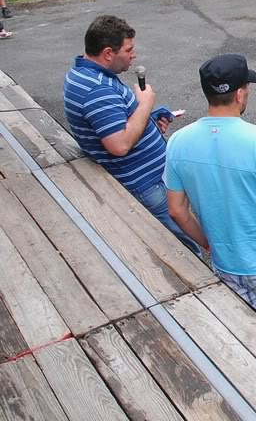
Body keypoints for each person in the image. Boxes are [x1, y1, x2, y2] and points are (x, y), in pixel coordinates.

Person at [165, 54, 256, 350]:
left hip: (226, 262)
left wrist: (208, 242)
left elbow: (177, 211)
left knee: (247, 330)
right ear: (240, 93)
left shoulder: (178, 141)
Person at [62, 15, 199, 255]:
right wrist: (144, 105)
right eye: (129, 50)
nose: (133, 55)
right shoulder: (97, 89)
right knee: (183, 249)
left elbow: (113, 121)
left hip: (148, 178)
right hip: (145, 184)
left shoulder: (86, 75)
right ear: (107, 53)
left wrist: (148, 119)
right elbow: (119, 144)